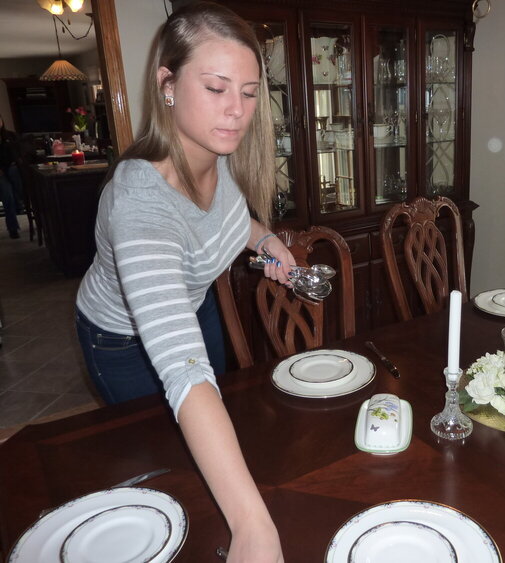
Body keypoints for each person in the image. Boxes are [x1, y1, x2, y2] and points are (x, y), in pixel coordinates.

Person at [74, 3, 292, 561]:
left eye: (248, 92)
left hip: (194, 307)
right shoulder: (140, 204)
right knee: (166, 464)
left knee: (211, 442)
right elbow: (186, 372)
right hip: (119, 341)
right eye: (217, 87)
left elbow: (231, 219)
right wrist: (255, 528)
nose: (237, 111)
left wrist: (268, 243)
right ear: (167, 84)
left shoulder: (211, 152)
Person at [0, 114, 23, 239]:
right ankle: (13, 227)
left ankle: (20, 201)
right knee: (7, 193)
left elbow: (20, 152)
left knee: (15, 174)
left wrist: (17, 161)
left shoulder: (10, 136)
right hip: (1, 173)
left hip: (14, 169)